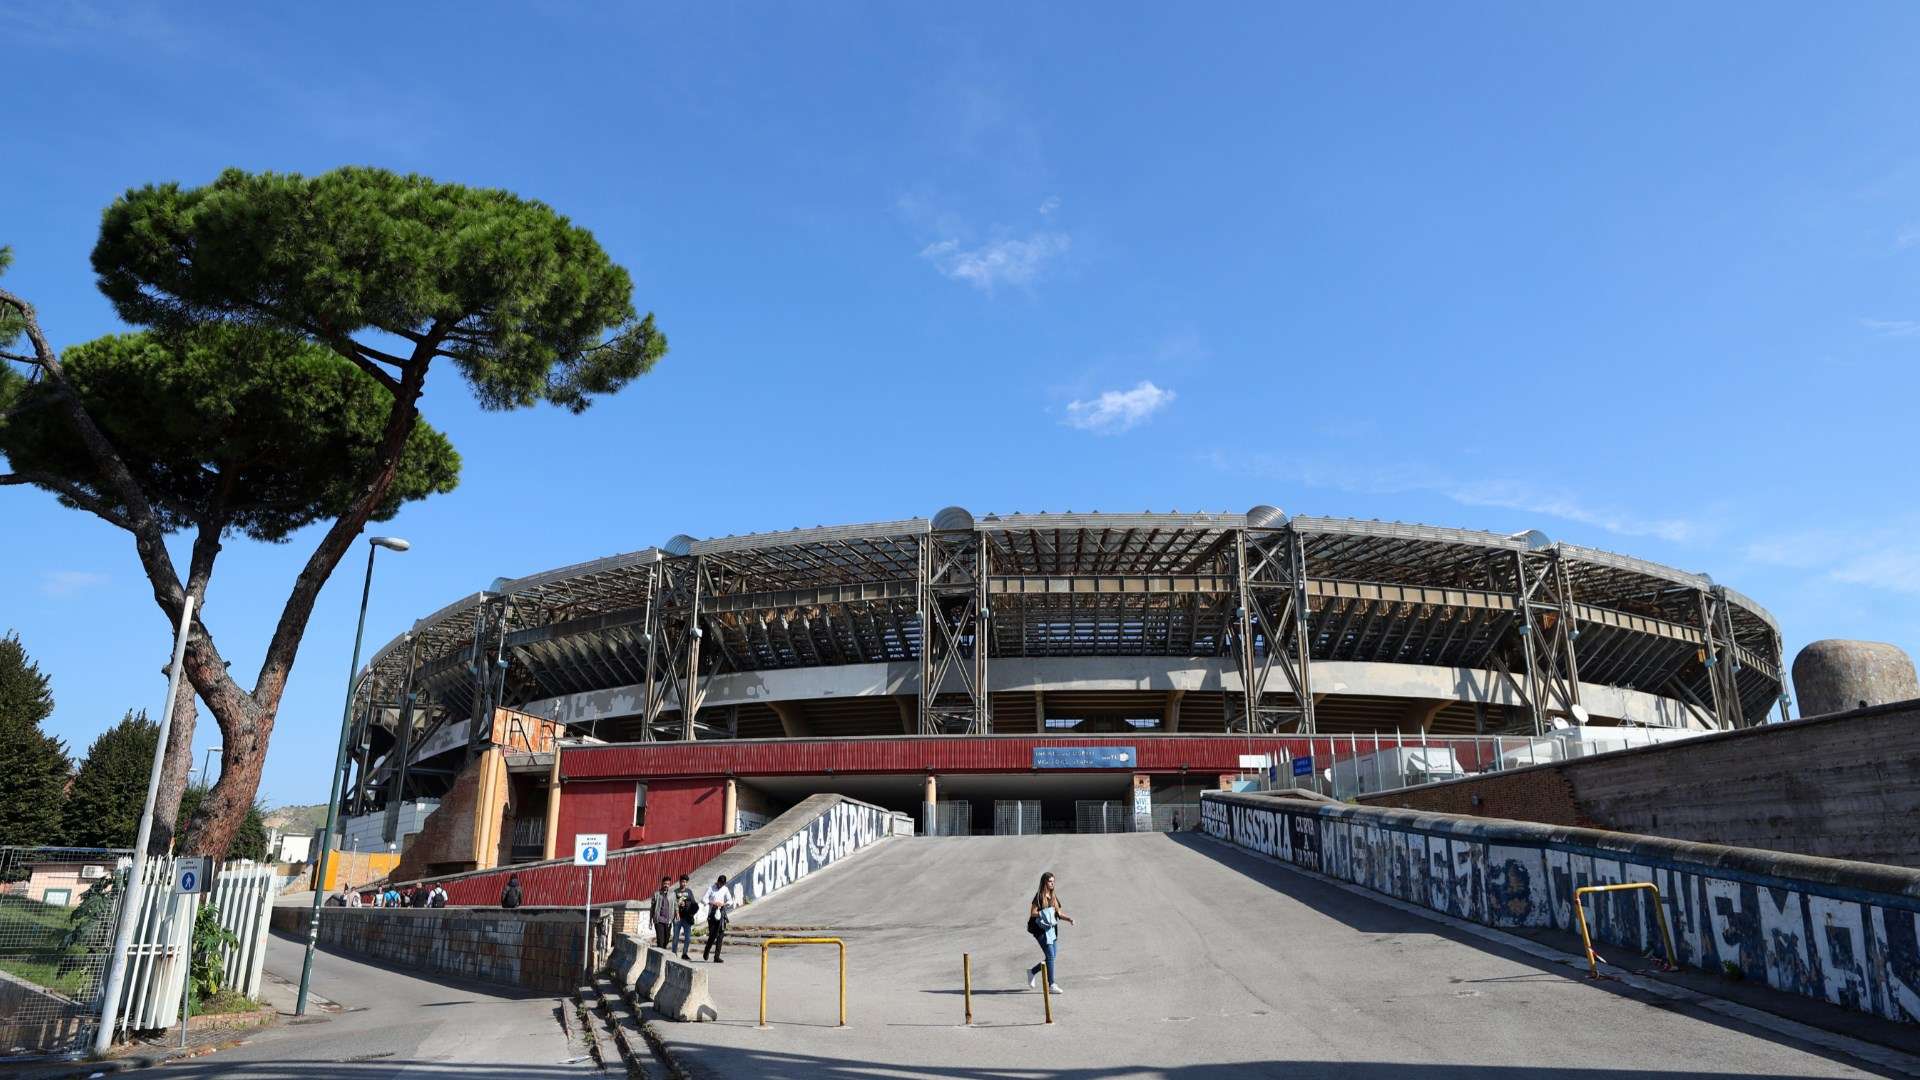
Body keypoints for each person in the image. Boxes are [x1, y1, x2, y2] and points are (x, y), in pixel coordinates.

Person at [1026, 870, 1073, 994]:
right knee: (1050, 956)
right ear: (1044, 883)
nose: (1052, 884)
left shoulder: (1053, 897)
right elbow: (1033, 912)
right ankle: (1051, 984)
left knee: (1051, 956)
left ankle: (1032, 972)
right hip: (1040, 929)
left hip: (1051, 929)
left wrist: (1068, 919)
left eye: (1053, 881)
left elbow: (1058, 913)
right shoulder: (1039, 897)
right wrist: (1045, 913)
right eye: (1050, 881)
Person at [701, 874, 734, 963]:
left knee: (720, 935)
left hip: (721, 913)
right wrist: (712, 902)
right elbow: (704, 899)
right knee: (713, 935)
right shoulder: (711, 888)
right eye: (720, 883)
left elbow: (730, 901)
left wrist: (724, 904)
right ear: (717, 882)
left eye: (722, 884)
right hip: (712, 913)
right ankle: (706, 951)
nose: (720, 885)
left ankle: (717, 956)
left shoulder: (725, 889)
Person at [671, 874, 697, 959]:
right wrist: (678, 905)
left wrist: (690, 910)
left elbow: (693, 904)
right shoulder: (675, 892)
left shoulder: (689, 892)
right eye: (682, 882)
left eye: (685, 882)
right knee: (675, 938)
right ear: (680, 882)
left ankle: (684, 954)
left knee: (688, 938)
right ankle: (673, 954)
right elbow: (672, 904)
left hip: (687, 918)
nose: (684, 883)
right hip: (677, 918)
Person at [651, 877, 674, 949]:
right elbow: (652, 908)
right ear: (662, 884)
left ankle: (662, 952)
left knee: (666, 939)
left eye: (668, 884)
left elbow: (675, 905)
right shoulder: (656, 894)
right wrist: (650, 920)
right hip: (659, 920)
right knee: (660, 940)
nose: (666, 885)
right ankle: (660, 955)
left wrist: (677, 914)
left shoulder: (672, 894)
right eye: (665, 883)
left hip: (668, 920)